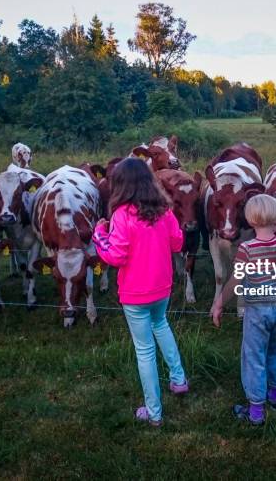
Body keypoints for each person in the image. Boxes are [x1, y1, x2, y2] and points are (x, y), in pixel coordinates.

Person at [92, 158, 189, 427]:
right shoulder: (164, 211)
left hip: (135, 293)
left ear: (120, 185)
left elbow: (115, 256)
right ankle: (178, 380)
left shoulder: (122, 215)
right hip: (162, 287)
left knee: (144, 350)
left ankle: (154, 411)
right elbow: (177, 242)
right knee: (161, 324)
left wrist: (99, 234)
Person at [212, 194, 276, 425]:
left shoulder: (247, 249)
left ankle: (256, 410)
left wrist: (219, 303)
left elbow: (235, 282)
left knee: (254, 356)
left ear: (249, 220)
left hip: (257, 311)